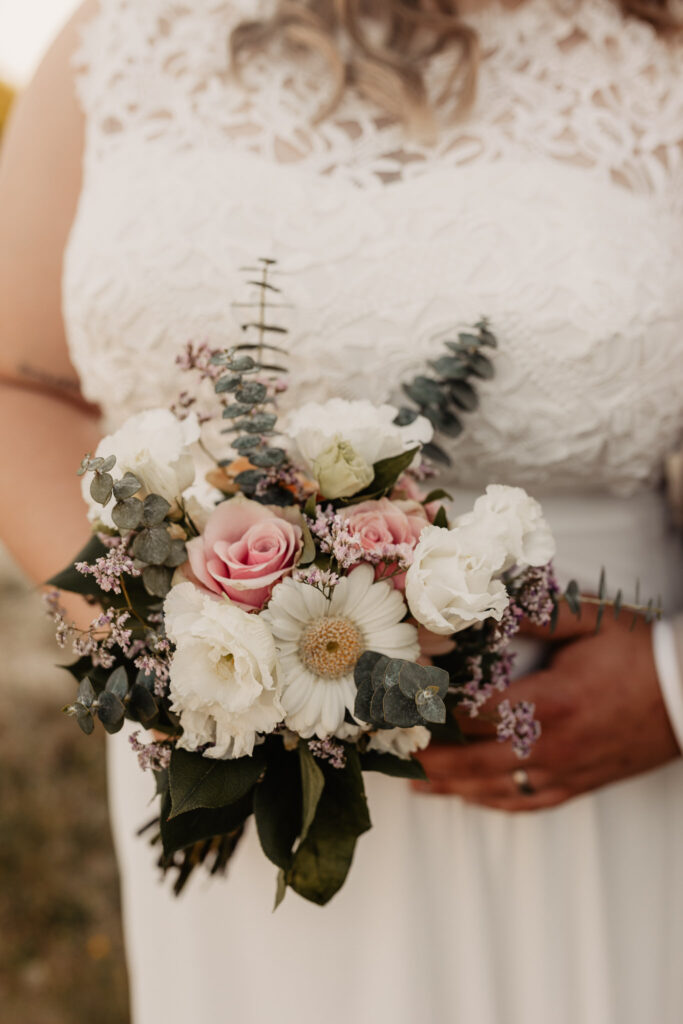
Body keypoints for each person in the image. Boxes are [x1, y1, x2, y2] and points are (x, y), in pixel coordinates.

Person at [1, 1, 682, 1021]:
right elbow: (21, 386)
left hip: (591, 762)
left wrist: (674, 687)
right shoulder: (122, 37)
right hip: (229, 771)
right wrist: (161, 650)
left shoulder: (656, 49)